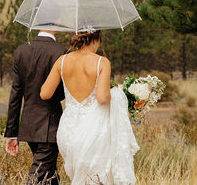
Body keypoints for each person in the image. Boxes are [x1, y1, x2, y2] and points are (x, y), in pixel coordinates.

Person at [40, 28, 139, 185]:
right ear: (95, 40)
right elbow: (102, 98)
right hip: (95, 128)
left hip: (69, 128)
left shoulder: (62, 61)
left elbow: (45, 93)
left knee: (78, 175)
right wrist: (117, 92)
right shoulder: (101, 62)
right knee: (96, 177)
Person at [5, 29, 66, 185]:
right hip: (50, 125)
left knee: (50, 176)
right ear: (56, 21)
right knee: (38, 176)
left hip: (29, 126)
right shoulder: (61, 52)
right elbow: (61, 94)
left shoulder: (21, 51)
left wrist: (12, 133)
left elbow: (15, 94)